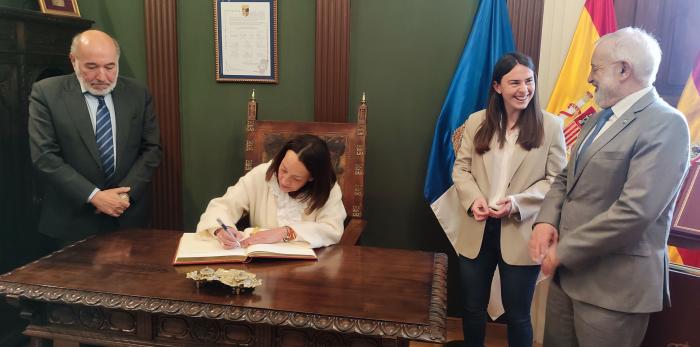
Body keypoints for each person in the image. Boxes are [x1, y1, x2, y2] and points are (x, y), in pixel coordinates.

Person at [529, 27, 690, 347]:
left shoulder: (667, 125)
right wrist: (545, 219)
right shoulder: (597, 119)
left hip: (613, 293)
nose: (589, 77)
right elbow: (565, 177)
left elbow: (635, 212)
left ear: (623, 69)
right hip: (566, 280)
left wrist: (564, 251)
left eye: (595, 68)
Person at [452, 52, 567, 347]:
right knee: (472, 307)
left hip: (520, 231)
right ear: (497, 87)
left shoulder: (551, 126)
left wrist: (517, 203)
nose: (524, 89)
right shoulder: (477, 121)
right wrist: (473, 198)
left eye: (529, 81)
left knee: (517, 315)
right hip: (478, 228)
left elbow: (556, 180)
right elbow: (462, 168)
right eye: (514, 82)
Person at [28, 30, 161, 245]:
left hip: (127, 217)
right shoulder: (47, 93)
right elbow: (45, 156)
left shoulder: (137, 93)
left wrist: (124, 197)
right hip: (71, 223)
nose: (102, 76)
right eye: (91, 67)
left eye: (110, 67)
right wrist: (94, 196)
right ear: (73, 61)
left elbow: (152, 149)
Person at [196, 134, 346, 248]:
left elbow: (331, 229)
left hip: (310, 269)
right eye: (283, 169)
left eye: (297, 178)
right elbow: (223, 206)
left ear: (312, 177)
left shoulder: (328, 189)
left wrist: (286, 232)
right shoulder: (262, 174)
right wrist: (223, 230)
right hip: (260, 267)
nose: (285, 180)